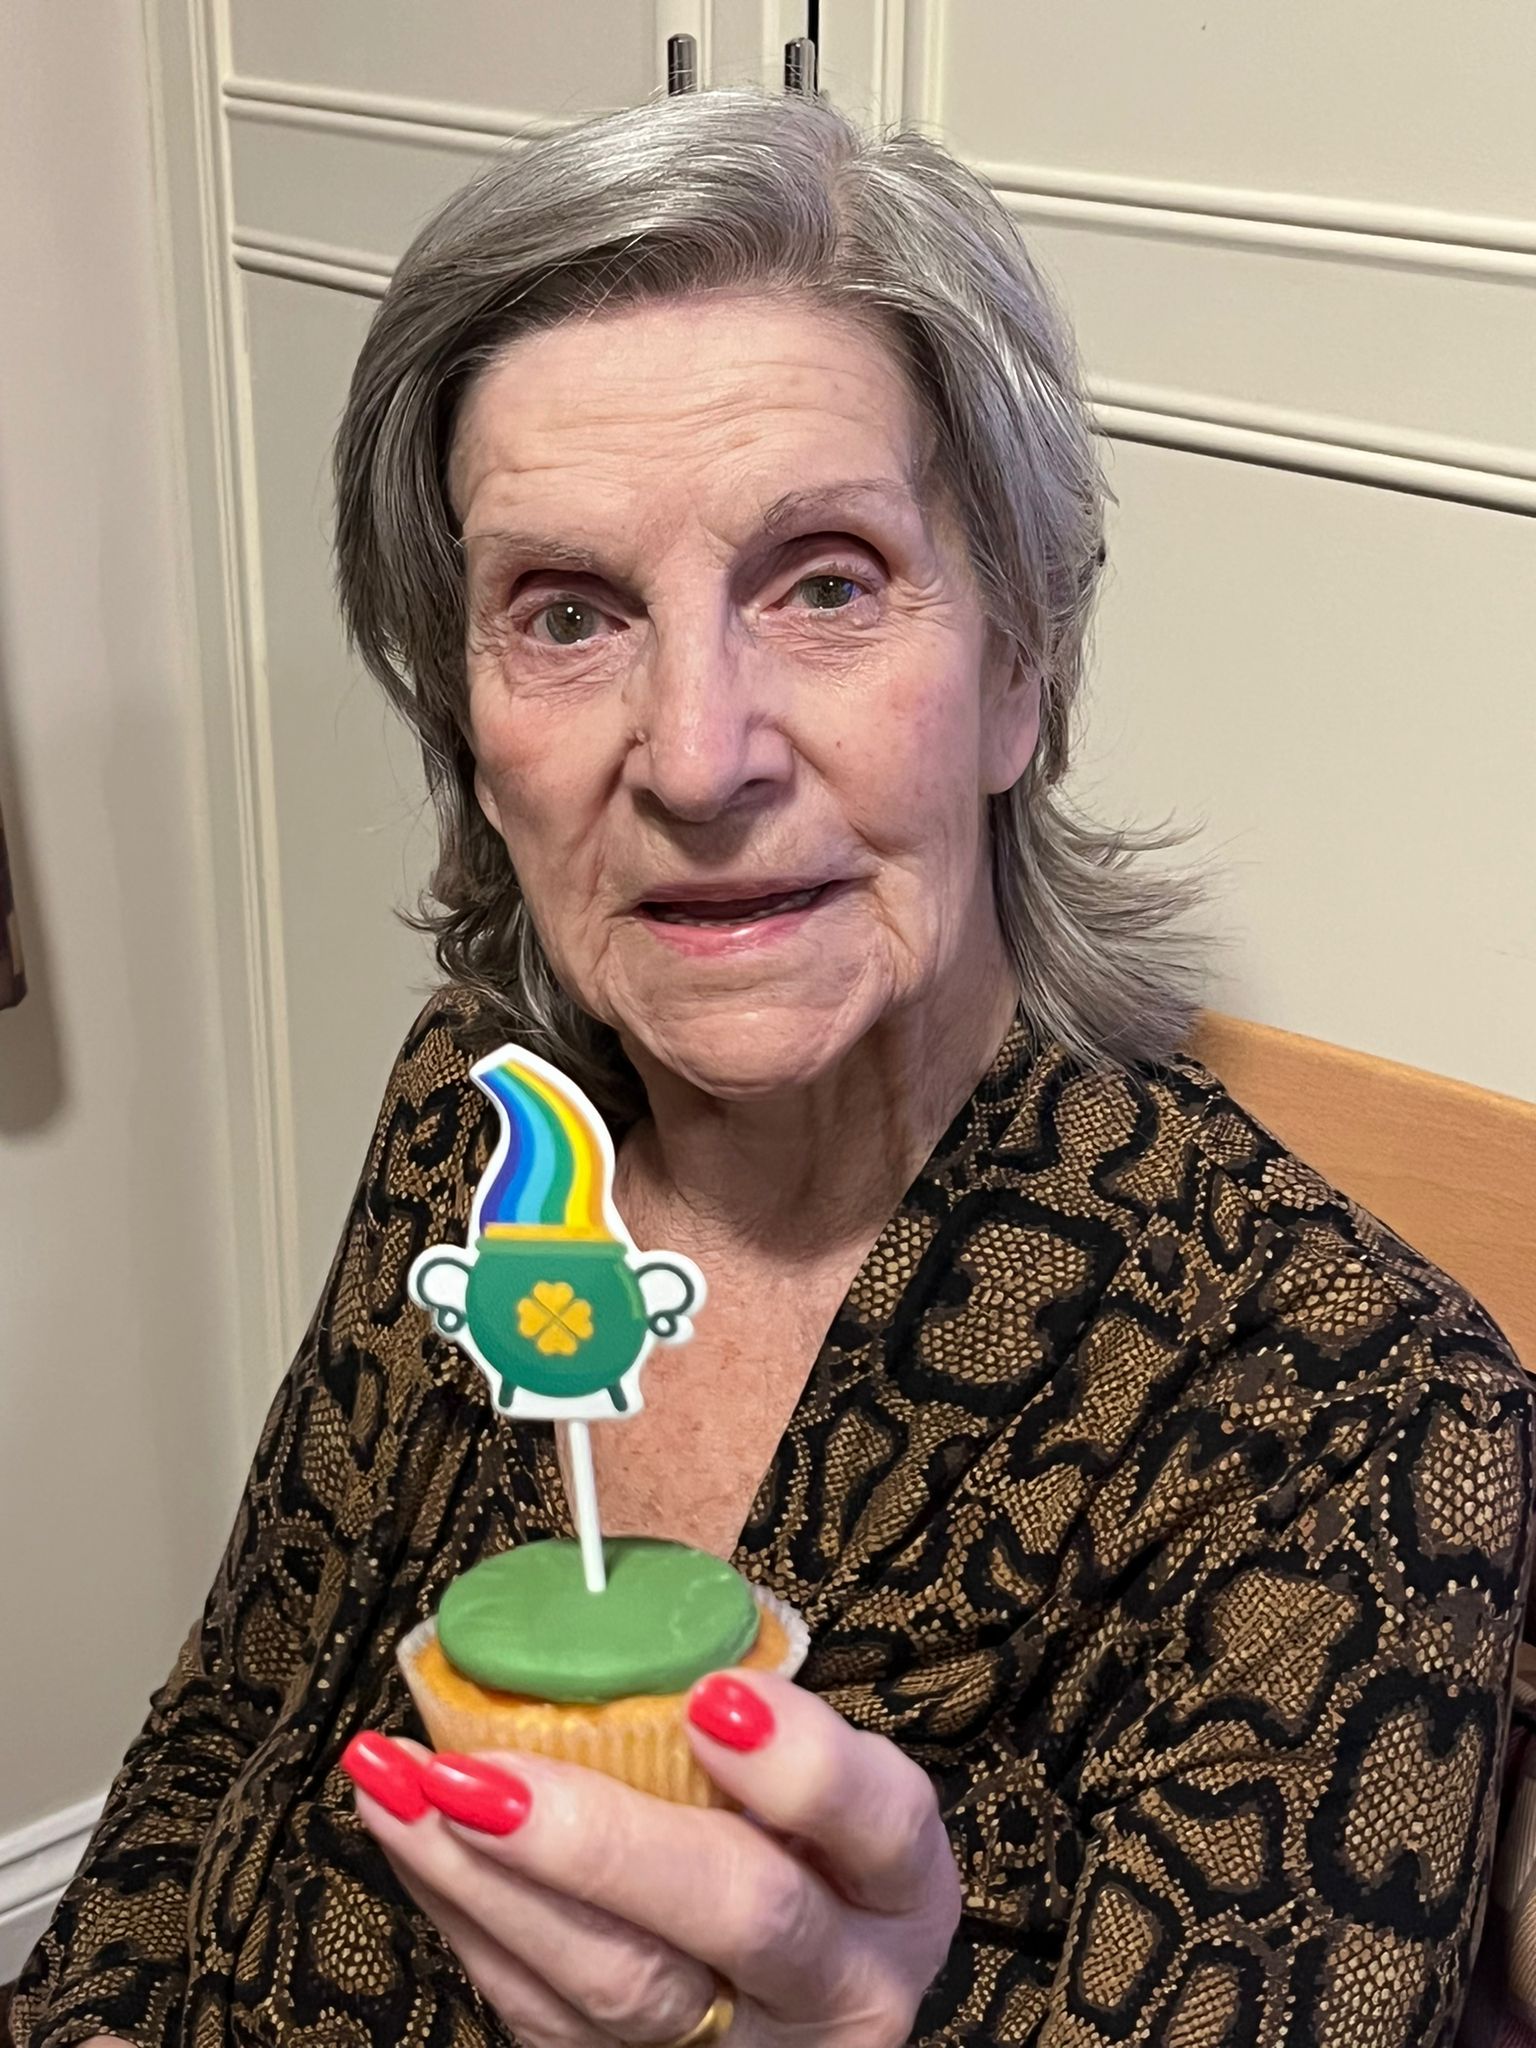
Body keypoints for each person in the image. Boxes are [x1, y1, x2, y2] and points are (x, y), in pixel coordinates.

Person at [16, 86, 1532, 2048]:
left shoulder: (1349, 1415)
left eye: (825, 580)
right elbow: (227, 1730)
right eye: (567, 613)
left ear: (1021, 666)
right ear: (467, 721)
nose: (696, 753)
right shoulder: (484, 1121)